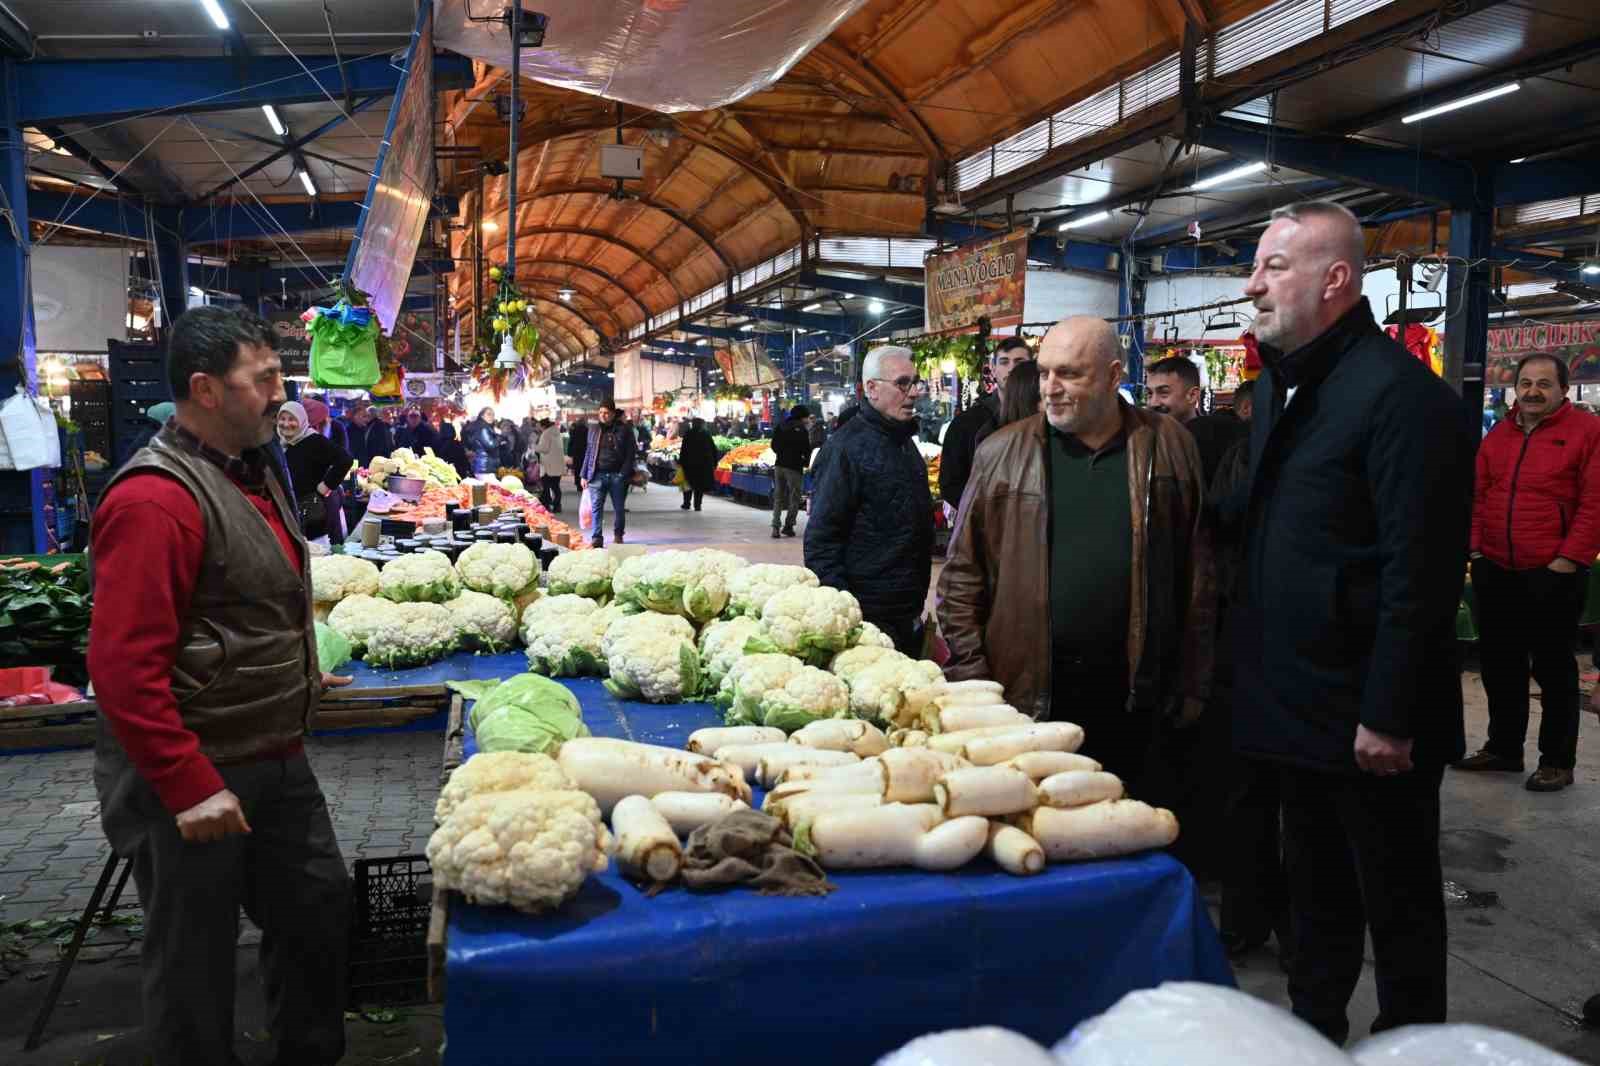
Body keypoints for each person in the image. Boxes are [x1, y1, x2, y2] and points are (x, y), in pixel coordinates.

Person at [1232, 200, 1473, 1045]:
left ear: (1336, 279)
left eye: (1274, 267)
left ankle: (1417, 1047)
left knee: (1398, 903)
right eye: (1257, 266)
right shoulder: (1283, 388)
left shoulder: (1405, 399)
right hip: (1295, 703)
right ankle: (1313, 1035)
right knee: (1315, 890)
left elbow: (1424, 572)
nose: (1252, 284)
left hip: (1373, 719)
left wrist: (1390, 712)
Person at [87, 306, 351, 1066]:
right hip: (193, 773)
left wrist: (296, 671)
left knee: (317, 913)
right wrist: (185, 782)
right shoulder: (154, 500)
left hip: (271, 752)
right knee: (194, 961)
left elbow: (243, 607)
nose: (281, 394)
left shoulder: (255, 466)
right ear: (205, 389)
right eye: (263, 378)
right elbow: (123, 667)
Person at [937, 317, 1214, 786]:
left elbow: (1199, 573)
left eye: (1069, 373)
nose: (1050, 388)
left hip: (1134, 700)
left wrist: (1193, 679)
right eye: (1044, 372)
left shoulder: (1169, 445)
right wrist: (974, 675)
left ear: (1112, 376)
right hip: (1027, 701)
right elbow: (962, 575)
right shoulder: (1001, 452)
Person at [1457, 352, 1600, 792]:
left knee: (1555, 670)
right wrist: (1476, 550)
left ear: (1563, 388)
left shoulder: (1587, 432)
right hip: (1496, 566)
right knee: (1501, 664)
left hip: (1552, 571)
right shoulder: (1500, 433)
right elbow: (1478, 494)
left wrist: (1568, 559)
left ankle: (1557, 760)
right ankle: (1504, 748)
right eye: (1526, 383)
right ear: (1515, 388)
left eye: (1543, 384)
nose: (1533, 391)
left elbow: (1595, 503)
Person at [805, 346, 934, 655]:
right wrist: (849, 616)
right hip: (869, 618)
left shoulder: (903, 441)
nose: (915, 392)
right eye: (903, 383)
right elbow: (821, 542)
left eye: (916, 382)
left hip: (905, 608)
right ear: (872, 389)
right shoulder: (845, 449)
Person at [939, 336, 1034, 511]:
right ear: (993, 369)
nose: (1012, 369)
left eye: (1019, 362)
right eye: (1004, 362)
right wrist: (984, 516)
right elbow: (950, 484)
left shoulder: (1046, 417)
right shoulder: (967, 423)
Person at [1145, 354, 1248, 483]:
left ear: (1192, 395)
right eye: (1149, 394)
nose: (1153, 402)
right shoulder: (1145, 441)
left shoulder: (1218, 439)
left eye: (1164, 393)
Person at [277, 400, 354, 548]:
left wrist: (325, 486)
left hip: (311, 512)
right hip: (287, 511)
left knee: (314, 556)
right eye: (282, 418)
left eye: (292, 419)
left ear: (302, 420)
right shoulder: (279, 442)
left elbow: (345, 460)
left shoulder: (315, 441)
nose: (286, 424)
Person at [579, 402, 638, 548]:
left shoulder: (624, 430)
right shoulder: (594, 429)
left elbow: (631, 454)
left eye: (605, 413)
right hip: (596, 475)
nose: (602, 416)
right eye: (600, 413)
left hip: (617, 476)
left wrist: (623, 474)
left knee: (619, 508)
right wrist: (584, 474)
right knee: (596, 508)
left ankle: (618, 535)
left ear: (612, 413)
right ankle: (597, 537)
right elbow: (589, 452)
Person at [770, 404, 814, 538]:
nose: (807, 419)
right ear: (802, 416)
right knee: (794, 497)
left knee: (778, 497)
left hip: (779, 465)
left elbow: (773, 445)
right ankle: (788, 526)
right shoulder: (801, 429)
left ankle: (775, 527)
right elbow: (806, 449)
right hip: (794, 467)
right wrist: (805, 463)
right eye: (806, 417)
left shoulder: (781, 426)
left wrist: (781, 454)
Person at [679, 417, 719, 512]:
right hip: (703, 464)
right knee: (699, 486)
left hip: (689, 464)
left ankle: (686, 503)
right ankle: (697, 505)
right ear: (701, 424)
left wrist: (681, 462)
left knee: (688, 483)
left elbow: (683, 449)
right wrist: (714, 462)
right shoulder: (706, 434)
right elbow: (713, 449)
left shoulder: (688, 434)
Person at [343, 401, 393, 469]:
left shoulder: (364, 429)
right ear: (355, 416)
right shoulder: (348, 431)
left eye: (367, 416)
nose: (367, 419)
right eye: (364, 416)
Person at [535, 417, 565, 513]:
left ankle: (546, 505)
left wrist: (534, 447)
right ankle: (557, 506)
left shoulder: (546, 434)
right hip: (558, 464)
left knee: (546, 486)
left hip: (548, 465)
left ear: (543, 426)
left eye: (539, 426)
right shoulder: (556, 432)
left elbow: (544, 448)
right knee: (556, 486)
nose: (539, 428)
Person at [464, 407, 500, 474]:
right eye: (489, 414)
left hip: (482, 465)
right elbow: (490, 445)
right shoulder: (483, 428)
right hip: (485, 466)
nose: (491, 417)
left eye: (493, 415)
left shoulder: (481, 427)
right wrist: (500, 438)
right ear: (482, 416)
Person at [567, 417, 589, 495]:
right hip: (585, 452)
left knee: (577, 468)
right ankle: (584, 483)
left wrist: (569, 452)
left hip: (576, 452)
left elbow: (571, 441)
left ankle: (578, 484)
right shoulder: (587, 430)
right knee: (584, 467)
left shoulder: (574, 430)